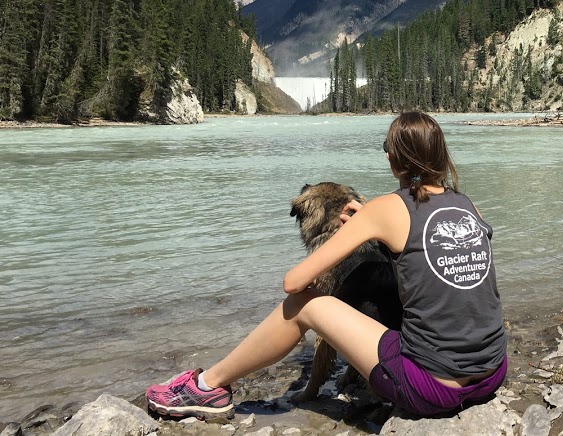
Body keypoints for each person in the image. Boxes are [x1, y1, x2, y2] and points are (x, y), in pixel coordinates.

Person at [146, 110, 507, 419]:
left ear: (392, 159)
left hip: (433, 390)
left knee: (304, 303)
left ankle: (207, 386)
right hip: (492, 373)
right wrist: (376, 225)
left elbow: (294, 281)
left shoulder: (386, 208)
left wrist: (369, 225)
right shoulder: (468, 204)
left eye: (386, 149)